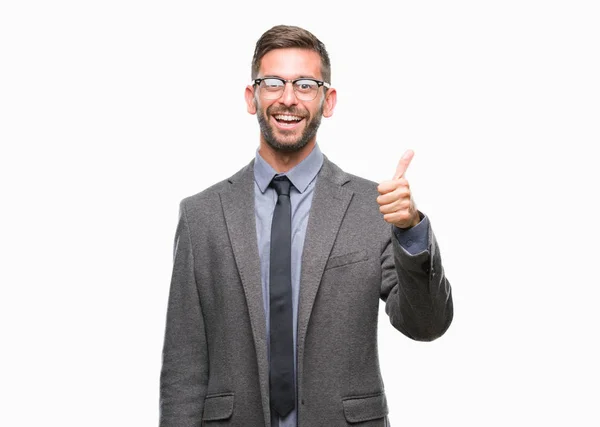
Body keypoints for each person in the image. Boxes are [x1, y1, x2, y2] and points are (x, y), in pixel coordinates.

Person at [159, 25, 453, 427]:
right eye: (273, 82)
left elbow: (427, 324)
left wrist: (411, 230)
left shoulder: (373, 208)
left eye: (305, 85)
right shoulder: (202, 215)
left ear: (327, 100)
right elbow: (183, 367)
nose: (287, 98)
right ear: (252, 97)